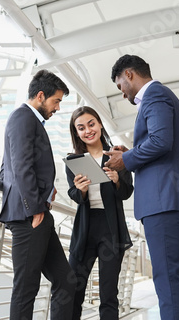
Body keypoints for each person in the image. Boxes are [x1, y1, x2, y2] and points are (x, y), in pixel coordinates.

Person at [104, 54, 179, 320]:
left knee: (167, 280)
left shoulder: (155, 95)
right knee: (168, 279)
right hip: (165, 200)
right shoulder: (157, 96)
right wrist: (131, 152)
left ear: (129, 74)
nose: (122, 93)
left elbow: (161, 141)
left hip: (164, 201)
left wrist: (125, 159)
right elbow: (159, 143)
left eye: (119, 86)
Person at [0, 69, 76, 320]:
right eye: (57, 101)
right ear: (41, 96)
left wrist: (44, 190)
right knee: (26, 288)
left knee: (65, 280)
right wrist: (34, 208)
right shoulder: (23, 118)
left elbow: (5, 169)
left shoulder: (27, 120)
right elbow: (20, 167)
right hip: (29, 216)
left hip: (36, 213)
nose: (58, 108)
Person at [65, 106, 134, 319]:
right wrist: (81, 191)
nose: (88, 130)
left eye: (91, 124)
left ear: (100, 124)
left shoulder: (117, 155)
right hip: (86, 228)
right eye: (81, 127)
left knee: (108, 292)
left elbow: (127, 192)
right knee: (74, 289)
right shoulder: (74, 161)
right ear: (76, 133)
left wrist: (116, 182)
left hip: (110, 228)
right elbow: (73, 194)